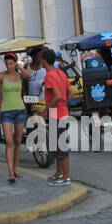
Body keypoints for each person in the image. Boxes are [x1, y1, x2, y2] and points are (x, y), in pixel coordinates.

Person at [41, 49, 72, 186]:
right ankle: (59, 173)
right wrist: (64, 104)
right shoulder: (61, 73)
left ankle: (65, 177)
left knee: (60, 147)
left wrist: (46, 109)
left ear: (44, 61)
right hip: (62, 112)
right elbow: (69, 92)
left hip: (56, 113)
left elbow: (57, 95)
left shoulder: (49, 76)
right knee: (56, 146)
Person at [0, 53, 27, 183]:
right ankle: (10, 172)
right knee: (9, 141)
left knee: (18, 140)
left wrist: (20, 67)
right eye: (6, 64)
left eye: (11, 63)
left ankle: (15, 168)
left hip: (20, 109)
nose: (8, 66)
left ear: (15, 63)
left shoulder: (20, 75)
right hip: (6, 111)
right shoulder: (1, 76)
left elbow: (28, 75)